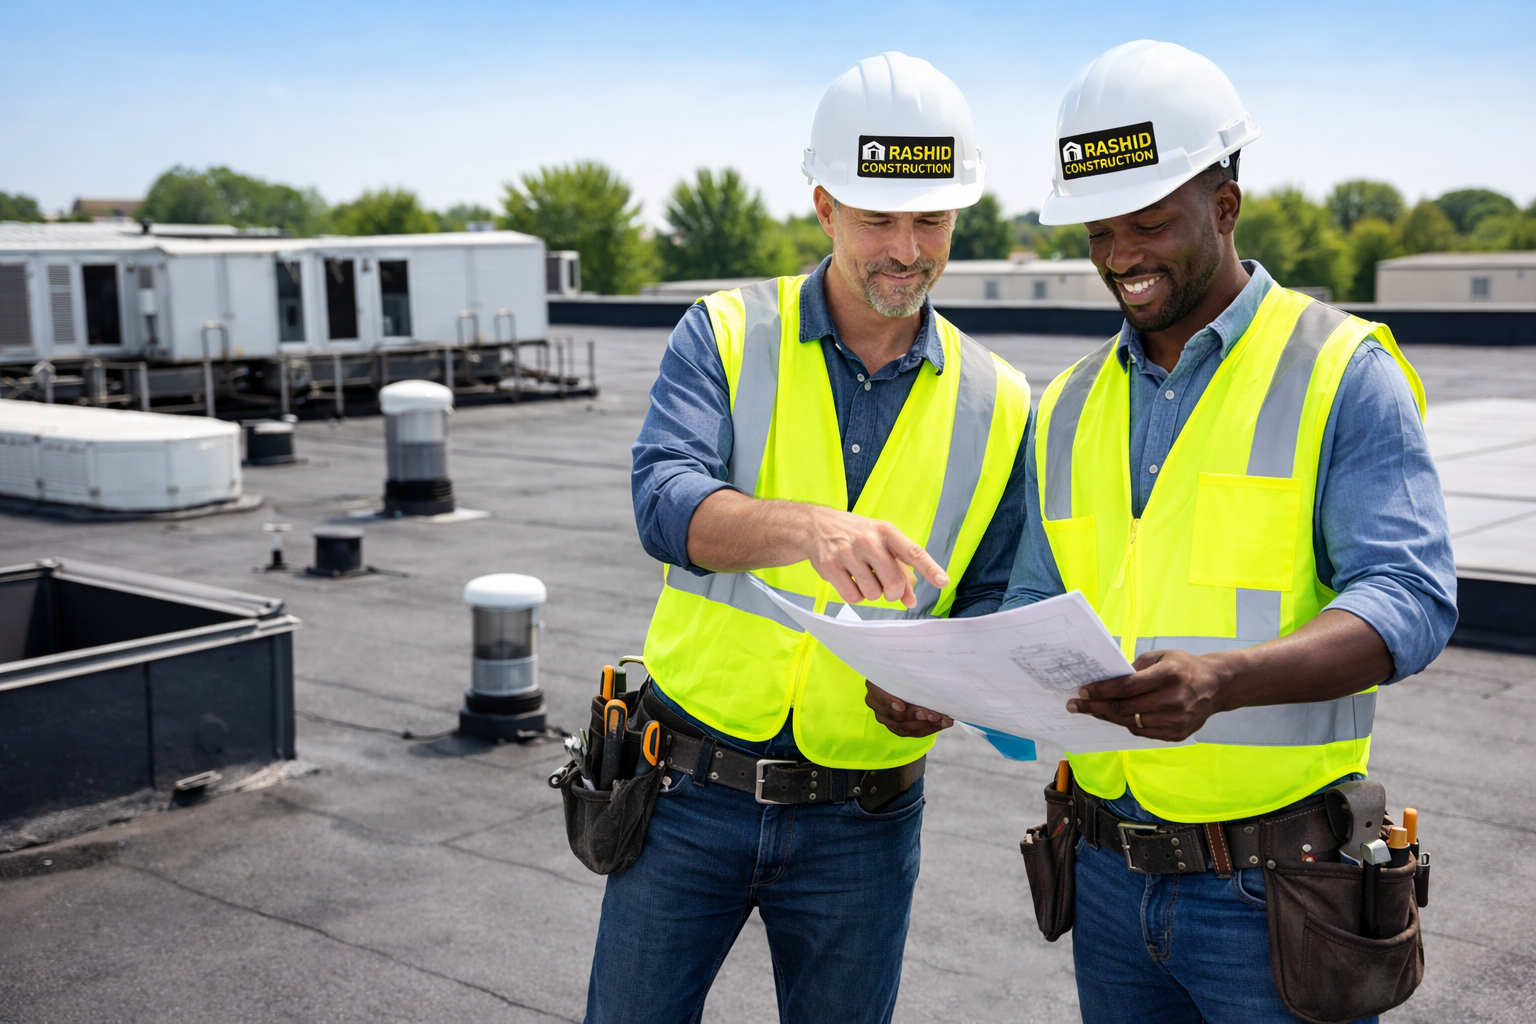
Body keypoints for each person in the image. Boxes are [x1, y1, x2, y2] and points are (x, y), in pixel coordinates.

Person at [866, 40, 1457, 1024]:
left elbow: (1410, 600)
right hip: (1105, 876)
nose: (1120, 255)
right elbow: (1030, 616)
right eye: (1100, 228)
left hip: (1279, 889)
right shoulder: (1066, 406)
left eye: (1149, 222)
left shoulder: (1340, 370)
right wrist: (943, 690)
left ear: (1224, 205)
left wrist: (1230, 678)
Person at [584, 52, 1031, 1024]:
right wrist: (807, 529)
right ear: (825, 206)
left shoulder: (1001, 400)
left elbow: (996, 600)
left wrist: (949, 690)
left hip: (864, 817)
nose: (906, 247)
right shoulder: (724, 333)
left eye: (932, 220)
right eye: (878, 218)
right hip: (686, 789)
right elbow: (664, 501)